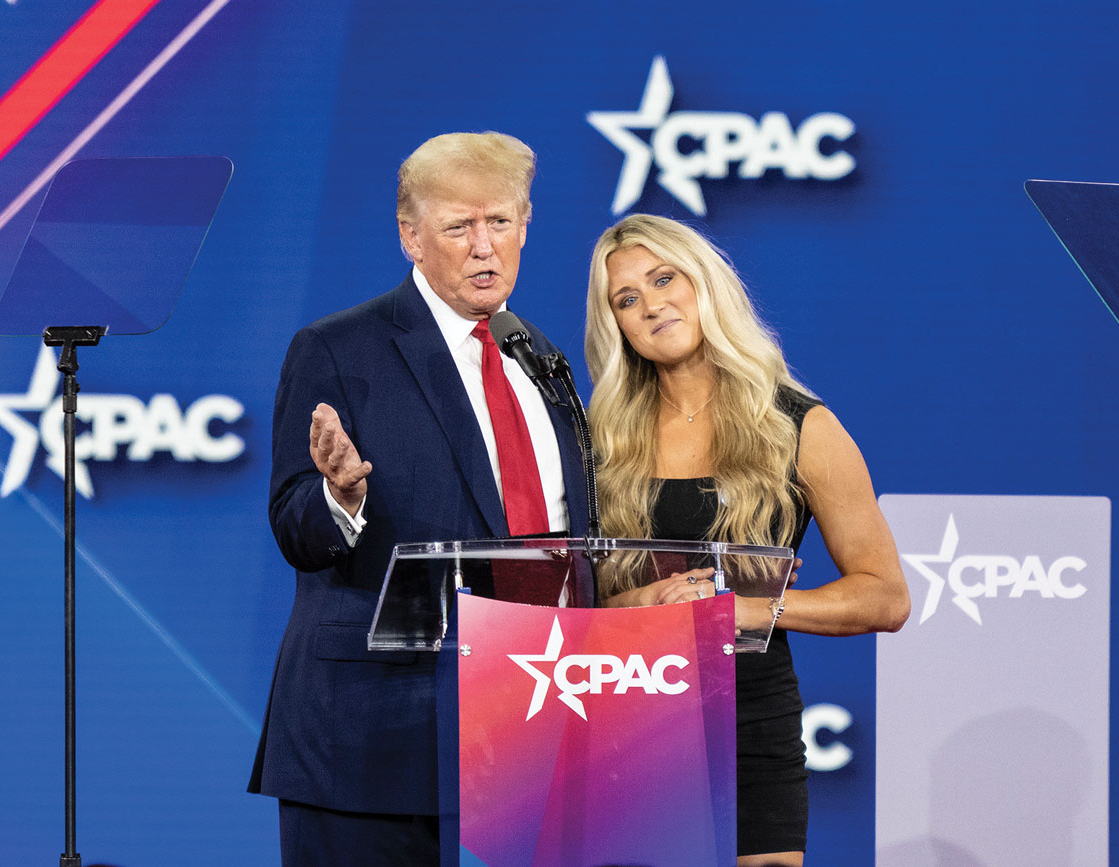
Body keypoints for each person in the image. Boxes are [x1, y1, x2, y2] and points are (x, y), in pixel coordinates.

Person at [249, 132, 590, 866]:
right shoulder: (340, 348)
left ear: (526, 225)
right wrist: (340, 495)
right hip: (370, 745)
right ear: (411, 236)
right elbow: (293, 522)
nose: (483, 247)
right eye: (458, 227)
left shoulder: (542, 358)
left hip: (529, 729)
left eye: (499, 222)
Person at [583, 214, 911, 866]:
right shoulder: (596, 438)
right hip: (622, 715)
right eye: (627, 298)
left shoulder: (801, 427)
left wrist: (750, 611)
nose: (651, 304)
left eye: (663, 277)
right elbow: (559, 601)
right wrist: (632, 608)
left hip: (748, 719)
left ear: (703, 281)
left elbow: (886, 597)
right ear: (614, 324)